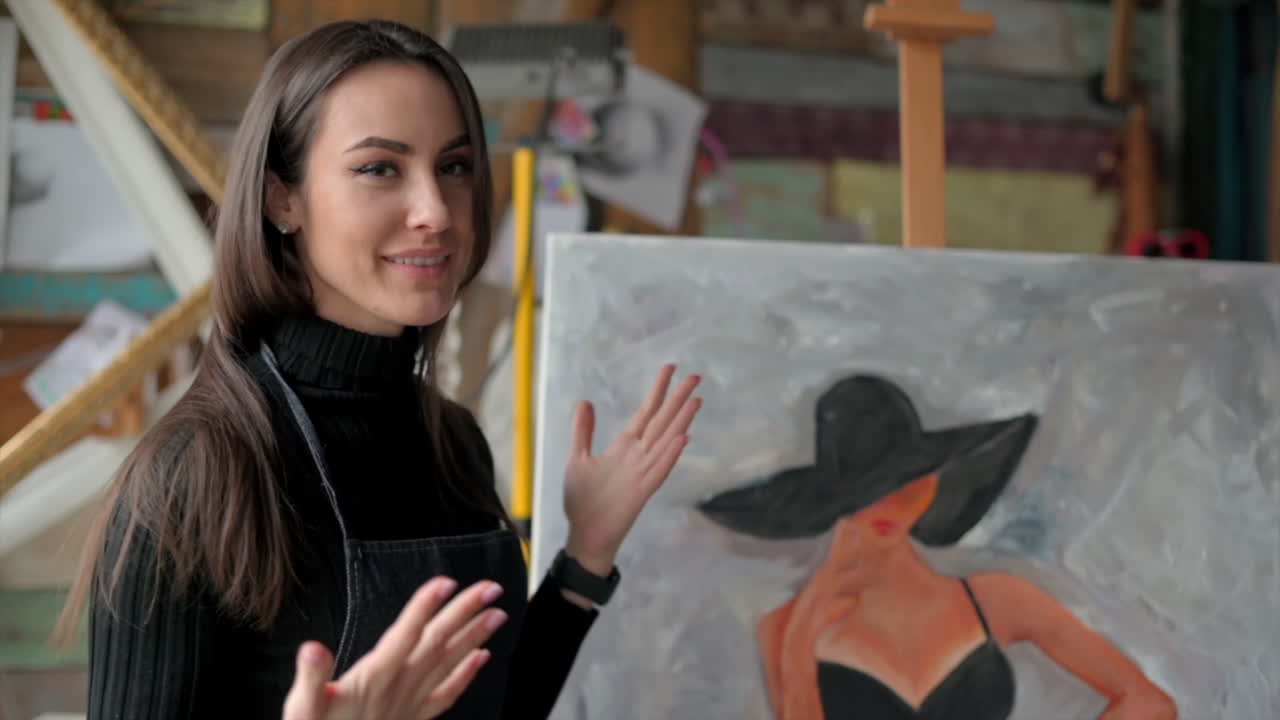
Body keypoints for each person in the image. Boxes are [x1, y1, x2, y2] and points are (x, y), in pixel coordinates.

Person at [57, 19, 702, 720]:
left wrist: (588, 550)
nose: (435, 210)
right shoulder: (190, 479)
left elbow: (498, 705)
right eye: (380, 168)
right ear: (283, 198)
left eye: (453, 166)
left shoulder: (452, 441)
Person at [697, 374, 1176, 720]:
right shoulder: (785, 628)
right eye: (867, 489)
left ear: (933, 483)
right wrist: (801, 647)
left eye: (906, 479)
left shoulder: (997, 600)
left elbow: (1150, 704)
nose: (890, 502)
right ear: (833, 502)